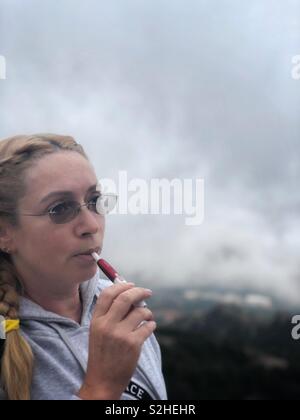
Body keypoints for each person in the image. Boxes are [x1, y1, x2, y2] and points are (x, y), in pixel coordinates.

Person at [0, 134, 167, 401]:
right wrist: (100, 389)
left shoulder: (121, 311)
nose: (91, 225)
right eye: (60, 208)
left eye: (94, 200)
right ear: (4, 232)